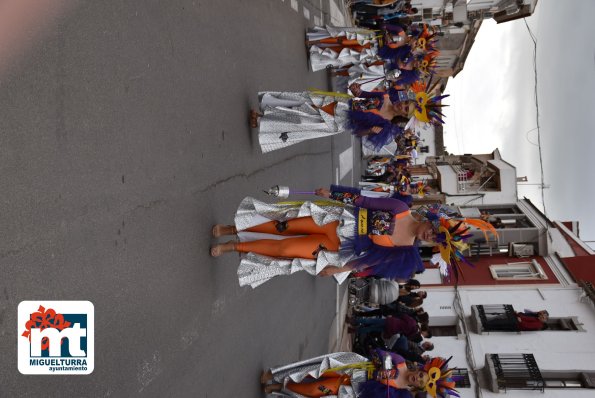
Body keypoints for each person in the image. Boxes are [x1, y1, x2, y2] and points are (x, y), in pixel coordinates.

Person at [210, 184, 432, 288]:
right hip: (336, 219)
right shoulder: (401, 207)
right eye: (434, 230)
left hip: (337, 247)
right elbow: (364, 201)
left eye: (433, 237)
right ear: (432, 220)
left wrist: (339, 269)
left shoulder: (406, 250)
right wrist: (333, 194)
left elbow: (370, 260)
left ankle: (234, 247)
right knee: (283, 224)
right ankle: (235, 229)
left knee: (285, 251)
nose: (429, 234)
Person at [260, 350, 459, 398]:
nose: (419, 378)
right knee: (313, 370)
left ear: (421, 387)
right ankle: (273, 373)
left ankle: (279, 387)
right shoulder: (400, 363)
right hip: (352, 367)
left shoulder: (403, 395)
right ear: (423, 370)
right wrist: (383, 364)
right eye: (422, 375)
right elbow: (380, 352)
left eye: (422, 382)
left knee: (313, 390)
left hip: (350, 390)